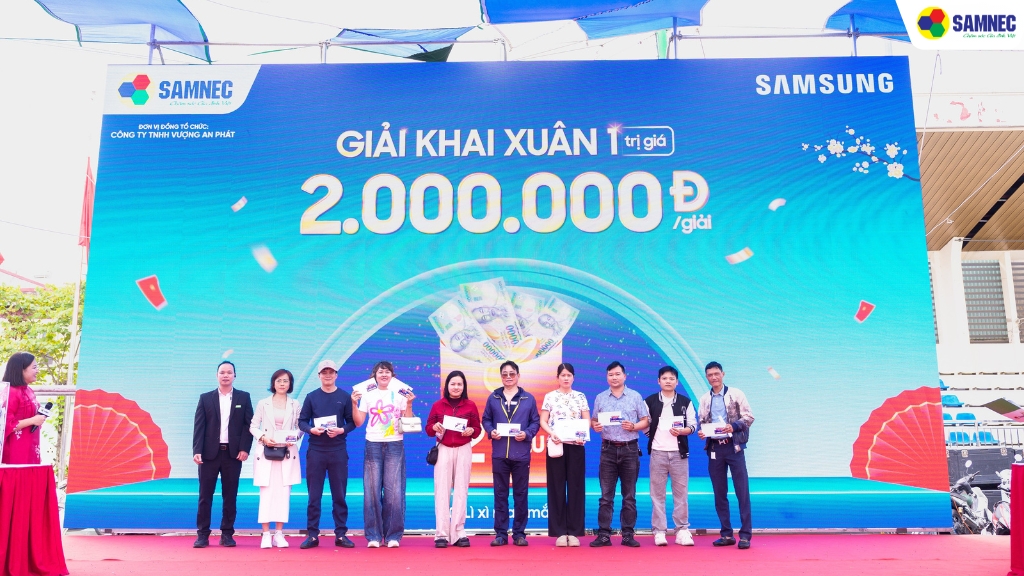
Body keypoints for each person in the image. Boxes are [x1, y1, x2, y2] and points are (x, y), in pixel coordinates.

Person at [352, 360, 416, 548]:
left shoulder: (401, 393)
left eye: (387, 372)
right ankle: (373, 536)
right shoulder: (367, 394)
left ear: (392, 375)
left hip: (395, 444)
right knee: (371, 491)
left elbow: (408, 423)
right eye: (380, 372)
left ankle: (393, 535)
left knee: (394, 492)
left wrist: (409, 404)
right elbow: (358, 422)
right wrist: (354, 404)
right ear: (375, 375)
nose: (384, 375)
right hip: (373, 444)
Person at [192, 360, 254, 548]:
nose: (225, 375)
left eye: (229, 372)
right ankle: (202, 534)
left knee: (230, 495)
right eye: (222, 372)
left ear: (235, 375)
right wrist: (197, 450)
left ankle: (227, 534)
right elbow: (199, 426)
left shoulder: (243, 397)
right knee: (205, 496)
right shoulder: (205, 398)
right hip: (209, 454)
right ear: (217, 375)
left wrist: (244, 448)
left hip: (233, 455)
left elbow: (248, 425)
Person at [297, 359, 357, 549]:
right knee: (314, 497)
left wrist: (341, 430)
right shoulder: (311, 397)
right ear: (319, 376)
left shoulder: (344, 397)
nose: (328, 375)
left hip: (338, 451)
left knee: (339, 496)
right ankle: (312, 535)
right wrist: (311, 430)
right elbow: (302, 421)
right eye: (324, 372)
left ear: (336, 375)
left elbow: (352, 422)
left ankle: (341, 534)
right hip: (316, 451)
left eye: (331, 372)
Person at [590, 361, 649, 548]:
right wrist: (595, 426)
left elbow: (646, 420)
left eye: (617, 374)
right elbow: (594, 420)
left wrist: (634, 426)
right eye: (610, 374)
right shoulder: (600, 397)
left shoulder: (635, 396)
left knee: (629, 495)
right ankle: (604, 535)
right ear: (606, 377)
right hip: (607, 449)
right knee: (605, 496)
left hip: (629, 449)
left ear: (624, 376)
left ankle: (628, 535)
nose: (614, 377)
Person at [481, 360, 540, 547]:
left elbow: (535, 422)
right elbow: (486, 419)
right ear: (501, 377)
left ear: (518, 376)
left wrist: (527, 434)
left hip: (521, 454)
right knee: (500, 494)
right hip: (499, 454)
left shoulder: (528, 398)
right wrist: (491, 431)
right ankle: (500, 534)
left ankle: (519, 534)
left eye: (512, 373)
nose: (508, 377)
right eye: (504, 374)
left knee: (521, 495)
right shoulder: (493, 397)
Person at [697, 361, 755, 550]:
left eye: (716, 374)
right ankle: (726, 534)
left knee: (742, 492)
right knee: (719, 493)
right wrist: (702, 432)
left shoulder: (736, 394)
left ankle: (745, 535)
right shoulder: (704, 399)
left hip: (734, 448)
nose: (713, 377)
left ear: (723, 374)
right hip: (715, 449)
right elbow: (702, 422)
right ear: (707, 377)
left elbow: (749, 417)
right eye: (710, 375)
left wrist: (733, 426)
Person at [425, 370, 481, 548]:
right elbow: (428, 429)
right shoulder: (438, 405)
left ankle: (458, 532)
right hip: (443, 449)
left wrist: (471, 430)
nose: (456, 387)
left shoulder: (470, 405)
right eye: (453, 384)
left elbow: (477, 429)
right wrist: (434, 427)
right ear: (447, 386)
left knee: (461, 490)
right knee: (441, 491)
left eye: (459, 384)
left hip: (464, 449)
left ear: (464, 387)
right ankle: (441, 534)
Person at [643, 366, 696, 547]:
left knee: (681, 494)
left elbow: (693, 426)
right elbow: (644, 424)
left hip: (679, 454)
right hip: (658, 453)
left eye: (671, 378)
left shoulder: (685, 402)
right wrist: (653, 437)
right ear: (658, 381)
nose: (668, 381)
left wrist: (682, 431)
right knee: (657, 494)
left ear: (677, 382)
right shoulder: (649, 401)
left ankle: (682, 530)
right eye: (664, 378)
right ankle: (659, 531)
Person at [250, 369, 303, 549]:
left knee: (283, 493)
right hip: (266, 452)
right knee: (266, 494)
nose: (282, 384)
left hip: (286, 453)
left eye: (285, 381)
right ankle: (266, 534)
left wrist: (293, 438)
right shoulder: (263, 403)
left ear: (290, 384)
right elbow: (253, 426)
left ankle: (279, 534)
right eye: (279, 380)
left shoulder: (295, 404)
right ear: (273, 383)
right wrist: (263, 437)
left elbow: (300, 426)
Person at [539, 362, 589, 547]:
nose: (566, 378)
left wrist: (583, 436)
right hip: (556, 445)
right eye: (563, 375)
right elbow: (543, 421)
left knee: (576, 487)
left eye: (569, 375)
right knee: (556, 487)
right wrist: (552, 433)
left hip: (576, 445)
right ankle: (559, 532)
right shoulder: (550, 396)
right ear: (557, 378)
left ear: (573, 377)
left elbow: (586, 420)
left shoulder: (580, 396)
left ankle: (574, 533)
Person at [1, 352, 45, 465]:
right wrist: (33, 420)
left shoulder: (28, 390)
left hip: (30, 445)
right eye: (34, 367)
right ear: (21, 370)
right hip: (15, 450)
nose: (37, 371)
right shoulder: (10, 393)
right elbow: (5, 424)